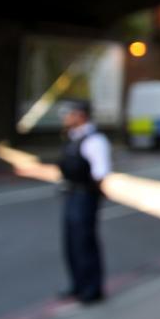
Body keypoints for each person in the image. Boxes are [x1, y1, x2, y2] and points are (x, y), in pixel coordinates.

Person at [57, 99, 111, 305]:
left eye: (68, 113)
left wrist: (91, 193)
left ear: (80, 115)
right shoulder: (72, 138)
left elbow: (100, 172)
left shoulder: (94, 140)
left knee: (85, 242)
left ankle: (92, 289)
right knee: (71, 242)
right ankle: (78, 284)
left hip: (85, 195)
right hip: (71, 193)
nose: (65, 117)